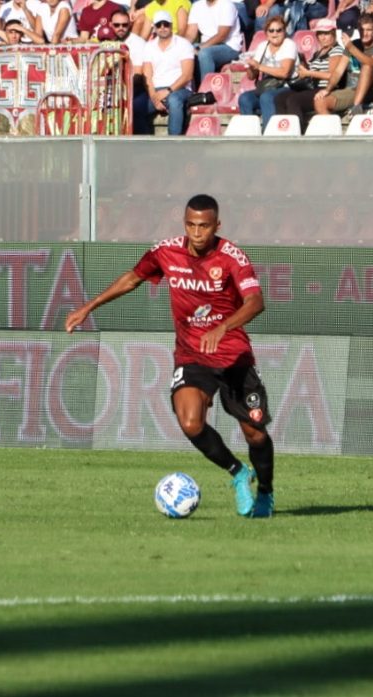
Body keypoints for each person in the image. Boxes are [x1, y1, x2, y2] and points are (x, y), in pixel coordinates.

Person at [65, 194, 276, 519]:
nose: (197, 232)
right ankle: (237, 473)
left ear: (216, 226)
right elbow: (132, 277)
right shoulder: (166, 252)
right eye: (191, 225)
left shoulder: (232, 257)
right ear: (184, 223)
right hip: (193, 354)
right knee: (191, 423)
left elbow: (255, 302)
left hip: (234, 356)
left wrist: (223, 327)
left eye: (204, 226)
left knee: (255, 433)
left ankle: (265, 491)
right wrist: (88, 307)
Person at [274, 16, 346, 132]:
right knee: (280, 98)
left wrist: (309, 72)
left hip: (327, 88)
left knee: (294, 100)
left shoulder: (336, 51)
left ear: (333, 34)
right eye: (320, 34)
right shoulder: (319, 52)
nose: (323, 37)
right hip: (313, 87)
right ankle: (283, 131)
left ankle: (298, 132)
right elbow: (312, 72)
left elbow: (332, 75)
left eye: (326, 34)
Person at [138, 9, 194, 134]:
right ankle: (144, 144)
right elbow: (147, 75)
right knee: (135, 107)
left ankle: (172, 143)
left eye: (166, 24)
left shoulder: (184, 44)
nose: (162, 28)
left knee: (174, 100)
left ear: (171, 25)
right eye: (159, 25)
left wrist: (167, 91)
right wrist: (154, 97)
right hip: (156, 90)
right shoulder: (149, 46)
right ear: (154, 28)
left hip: (180, 88)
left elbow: (187, 75)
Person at [237, 14, 295, 128]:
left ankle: (268, 134)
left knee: (266, 97)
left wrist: (259, 66)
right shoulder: (263, 46)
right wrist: (250, 66)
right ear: (266, 33)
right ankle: (250, 133)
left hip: (287, 86)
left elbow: (285, 72)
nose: (275, 34)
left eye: (279, 30)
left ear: (284, 31)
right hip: (267, 86)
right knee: (244, 98)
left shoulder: (289, 44)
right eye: (271, 30)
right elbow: (252, 77)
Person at [185, 0, 241, 84]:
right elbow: (191, 34)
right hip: (205, 45)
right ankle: (188, 90)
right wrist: (181, 46)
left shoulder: (227, 5)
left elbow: (222, 35)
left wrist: (200, 47)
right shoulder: (196, 6)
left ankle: (205, 91)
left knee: (204, 53)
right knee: (185, 51)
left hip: (229, 46)